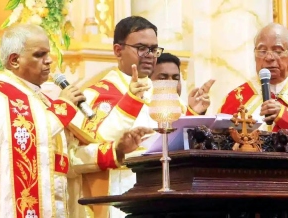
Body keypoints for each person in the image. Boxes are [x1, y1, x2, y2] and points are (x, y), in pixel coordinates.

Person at [0, 23, 154, 218]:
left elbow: (66, 161)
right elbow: (22, 145)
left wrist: (116, 150)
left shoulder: (42, 100)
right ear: (14, 60)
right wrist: (63, 107)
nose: (49, 61)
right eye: (39, 55)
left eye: (48, 54)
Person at [70, 16, 215, 217]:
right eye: (141, 48)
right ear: (118, 50)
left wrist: (193, 113)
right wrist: (130, 103)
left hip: (166, 198)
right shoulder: (94, 95)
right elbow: (77, 155)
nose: (149, 55)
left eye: (154, 49)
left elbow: (174, 144)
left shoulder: (165, 94)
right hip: (120, 195)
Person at [219, 23, 288, 217]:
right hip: (251, 196)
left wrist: (285, 116)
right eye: (262, 50)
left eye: (278, 50)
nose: (269, 57)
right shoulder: (235, 98)